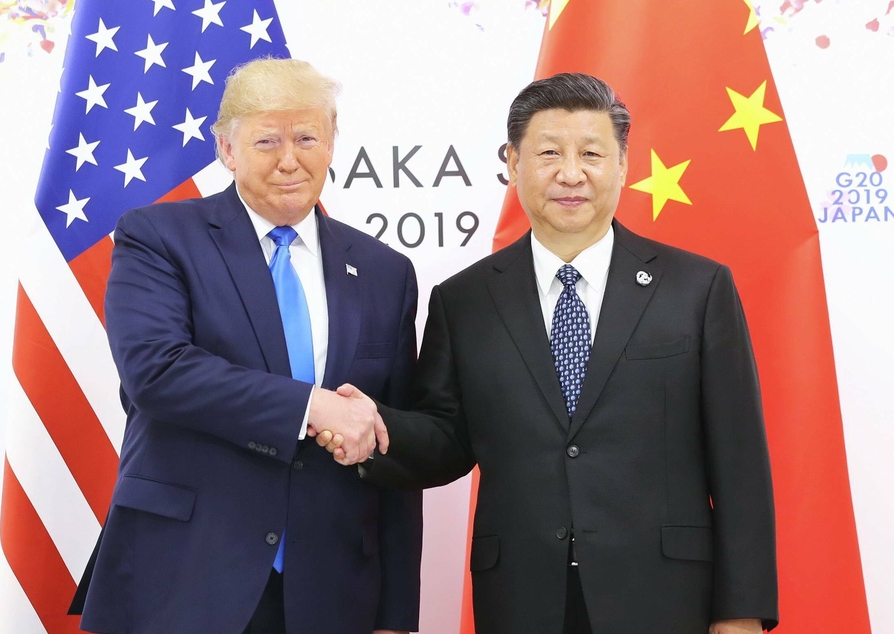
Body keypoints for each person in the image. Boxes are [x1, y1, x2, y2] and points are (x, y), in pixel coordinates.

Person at [326, 73, 778, 633]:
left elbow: (739, 464)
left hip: (665, 598)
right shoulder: (463, 301)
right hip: (522, 598)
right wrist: (377, 431)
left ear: (623, 163)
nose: (571, 173)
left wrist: (742, 613)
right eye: (548, 153)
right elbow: (447, 440)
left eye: (591, 153)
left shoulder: (697, 288)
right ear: (513, 164)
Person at [70, 58, 422, 634]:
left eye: (307, 137)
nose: (290, 159)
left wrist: (395, 614)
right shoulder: (158, 237)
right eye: (267, 141)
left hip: (332, 591)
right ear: (227, 149)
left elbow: (390, 441)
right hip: (185, 577)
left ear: (332, 142)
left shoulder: (385, 271)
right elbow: (156, 373)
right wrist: (315, 406)